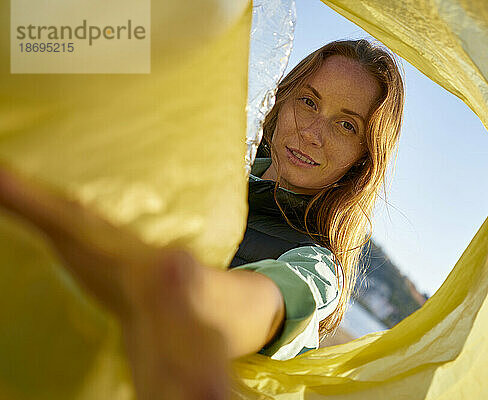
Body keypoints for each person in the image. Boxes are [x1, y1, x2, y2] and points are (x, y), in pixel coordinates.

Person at [0, 39, 404, 398]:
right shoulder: (206, 170)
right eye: (309, 101)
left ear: (362, 160)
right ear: (283, 99)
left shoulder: (317, 265)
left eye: (346, 125)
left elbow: (267, 303)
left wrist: (190, 301)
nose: (313, 132)